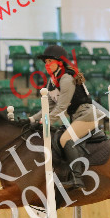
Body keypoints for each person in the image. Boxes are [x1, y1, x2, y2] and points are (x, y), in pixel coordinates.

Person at [29, 45, 100, 190]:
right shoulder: (52, 81)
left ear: (60, 62)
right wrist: (32, 119)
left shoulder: (66, 78)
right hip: (76, 117)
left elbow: (61, 106)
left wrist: (45, 122)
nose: (47, 65)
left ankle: (77, 179)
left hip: (87, 115)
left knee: (65, 139)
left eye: (50, 61)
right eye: (46, 62)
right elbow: (48, 107)